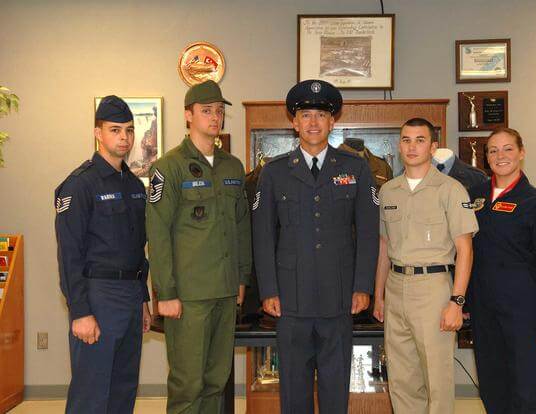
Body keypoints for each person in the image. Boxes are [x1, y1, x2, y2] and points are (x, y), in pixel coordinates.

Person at [252, 79, 379, 414]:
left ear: (332, 121)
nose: (312, 122)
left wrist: (363, 287)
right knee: (294, 388)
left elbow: (368, 233)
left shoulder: (355, 168)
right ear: (294, 122)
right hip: (290, 299)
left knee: (336, 387)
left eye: (320, 116)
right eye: (305, 115)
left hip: (339, 298)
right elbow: (263, 236)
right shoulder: (275, 172)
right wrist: (268, 291)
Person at [146, 80, 251, 414]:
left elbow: (241, 226)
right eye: (207, 111)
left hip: (224, 290)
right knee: (187, 384)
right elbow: (158, 233)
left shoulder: (232, 167)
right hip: (188, 296)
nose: (215, 117)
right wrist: (166, 293)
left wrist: (241, 278)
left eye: (219, 111)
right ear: (188, 115)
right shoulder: (169, 167)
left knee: (215, 381)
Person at [373, 117, 478, 414]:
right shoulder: (388, 191)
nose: (412, 146)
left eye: (420, 140)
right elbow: (384, 246)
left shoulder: (451, 189)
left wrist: (456, 301)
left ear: (433, 147)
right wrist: (379, 295)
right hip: (395, 288)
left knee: (437, 378)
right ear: (399, 145)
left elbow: (465, 249)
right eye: (406, 139)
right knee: (402, 378)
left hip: (433, 288)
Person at [55, 95, 151, 414]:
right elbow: (70, 254)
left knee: (124, 389)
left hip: (130, 296)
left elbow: (138, 249)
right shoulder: (79, 185)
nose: (123, 137)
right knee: (91, 393)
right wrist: (80, 311)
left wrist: (143, 300)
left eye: (128, 130)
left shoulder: (135, 185)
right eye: (114, 130)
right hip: (98, 296)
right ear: (98, 133)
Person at [467, 127, 536, 413]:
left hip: (525, 313)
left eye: (508, 149)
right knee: (493, 386)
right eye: (493, 150)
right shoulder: (474, 197)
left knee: (529, 392)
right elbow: (466, 253)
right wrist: (464, 299)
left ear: (521, 153)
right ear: (486, 157)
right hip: (485, 309)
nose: (500, 156)